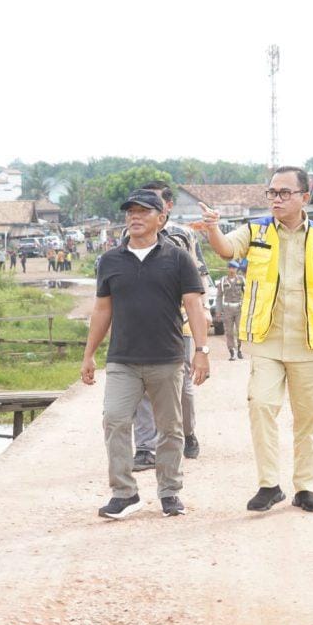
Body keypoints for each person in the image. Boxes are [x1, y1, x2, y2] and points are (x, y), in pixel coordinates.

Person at [199, 166, 313, 513]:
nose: (276, 198)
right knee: (261, 406)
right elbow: (228, 250)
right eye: (272, 192)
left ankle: (304, 487)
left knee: (308, 417)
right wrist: (213, 229)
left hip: (310, 343)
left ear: (304, 196)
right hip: (267, 341)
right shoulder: (256, 230)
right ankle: (269, 484)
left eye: (284, 192)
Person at [81, 189, 209, 519]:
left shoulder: (177, 257)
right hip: (123, 358)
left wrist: (202, 351)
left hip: (166, 358)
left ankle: (169, 492)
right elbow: (102, 310)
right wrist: (89, 354)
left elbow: (194, 304)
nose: (135, 217)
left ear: (161, 218)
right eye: (130, 212)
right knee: (114, 420)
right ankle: (124, 493)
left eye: (143, 211)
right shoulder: (111, 260)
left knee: (170, 428)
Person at [131, 181, 212, 469]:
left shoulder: (183, 235)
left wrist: (204, 309)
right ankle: (144, 448)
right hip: (142, 322)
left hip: (181, 320)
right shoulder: (129, 234)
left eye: (151, 203)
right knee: (141, 386)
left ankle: (187, 433)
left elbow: (199, 272)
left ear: (167, 207)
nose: (142, 211)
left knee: (183, 388)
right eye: (138, 205)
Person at [216, 260, 245, 360]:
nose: (232, 270)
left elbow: (247, 294)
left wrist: (247, 308)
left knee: (240, 331)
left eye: (234, 268)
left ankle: (240, 349)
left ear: (237, 269)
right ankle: (232, 351)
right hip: (227, 309)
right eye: (231, 267)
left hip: (239, 308)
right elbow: (219, 296)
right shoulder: (223, 280)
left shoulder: (241, 279)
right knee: (229, 332)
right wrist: (218, 311)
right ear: (228, 268)